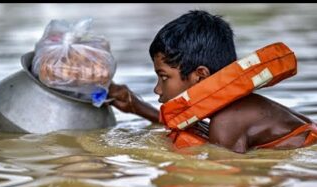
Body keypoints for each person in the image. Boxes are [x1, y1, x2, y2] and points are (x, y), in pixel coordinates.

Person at [107, 10, 317, 153]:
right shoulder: (233, 111)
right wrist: (137, 107)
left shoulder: (226, 122)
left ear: (200, 75)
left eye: (163, 77)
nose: (157, 88)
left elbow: (220, 178)